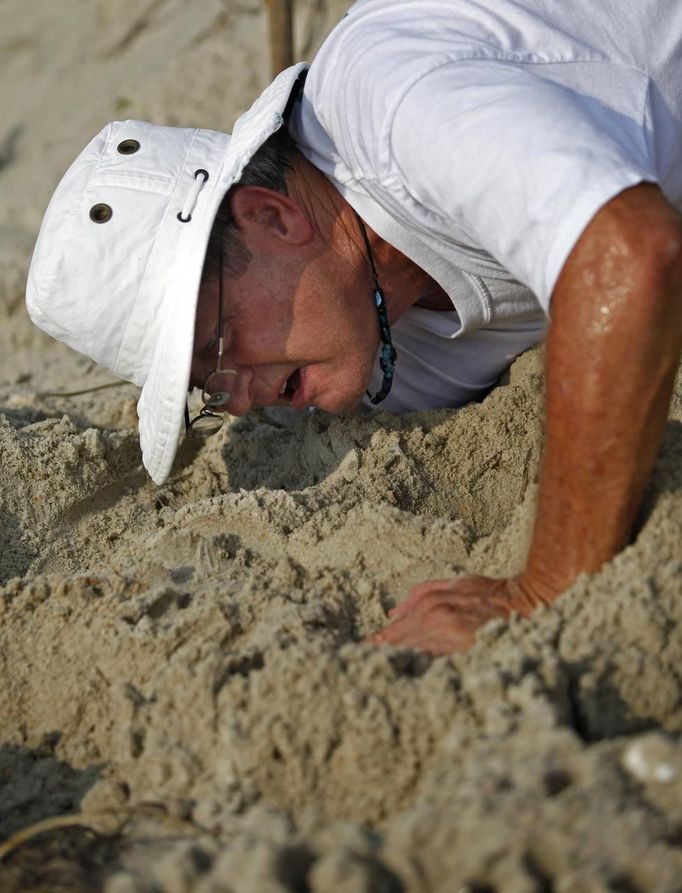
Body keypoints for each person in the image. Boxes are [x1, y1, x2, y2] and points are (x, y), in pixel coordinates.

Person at [26, 0, 682, 655]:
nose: (242, 396)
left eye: (219, 345)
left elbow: (633, 259)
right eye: (206, 389)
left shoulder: (394, 105)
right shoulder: (366, 343)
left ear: (274, 218)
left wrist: (545, 587)